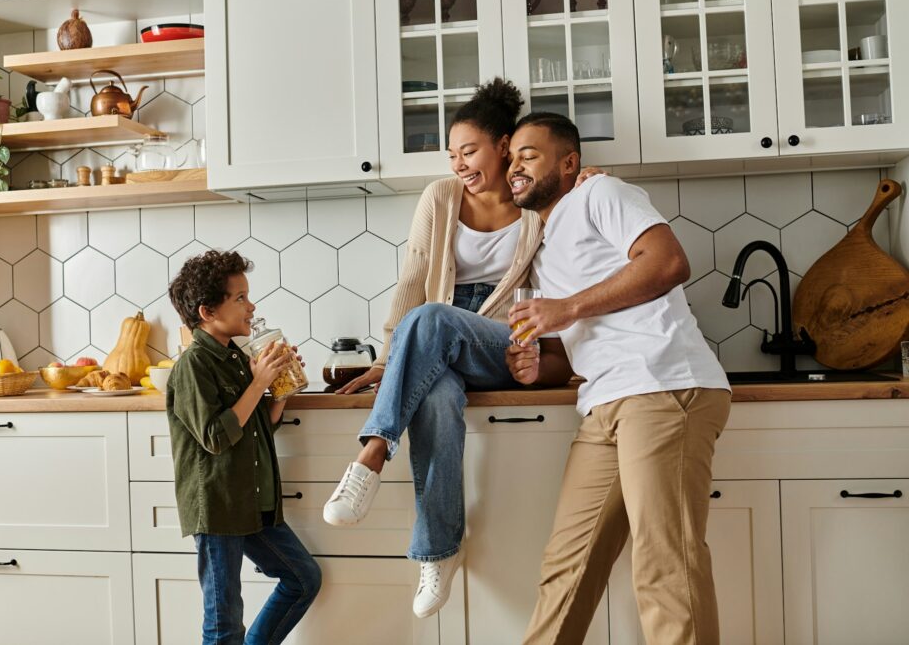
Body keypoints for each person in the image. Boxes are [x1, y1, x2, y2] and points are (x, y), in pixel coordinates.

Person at [503, 112, 732, 645]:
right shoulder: (543, 239)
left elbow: (669, 262)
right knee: (567, 567)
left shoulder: (600, 192)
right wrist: (541, 367)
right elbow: (572, 345)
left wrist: (568, 308)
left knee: (665, 565)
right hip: (604, 401)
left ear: (570, 162)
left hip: (660, 383)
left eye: (529, 154)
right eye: (511, 156)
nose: (515, 165)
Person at [321, 78, 545, 619]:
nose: (459, 164)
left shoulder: (538, 204)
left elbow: (550, 285)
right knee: (439, 397)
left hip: (503, 344)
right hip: (435, 343)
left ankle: (371, 455)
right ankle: (439, 551)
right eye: (451, 154)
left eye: (469, 151)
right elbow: (414, 278)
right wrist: (389, 360)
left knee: (435, 318)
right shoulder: (440, 198)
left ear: (503, 144)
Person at [167, 250, 321, 645]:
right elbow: (216, 437)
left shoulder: (237, 355)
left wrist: (279, 387)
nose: (251, 307)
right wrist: (257, 385)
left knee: (302, 578)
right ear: (207, 311)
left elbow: (258, 426)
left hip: (252, 504)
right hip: (219, 508)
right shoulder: (194, 365)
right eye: (240, 298)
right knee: (223, 625)